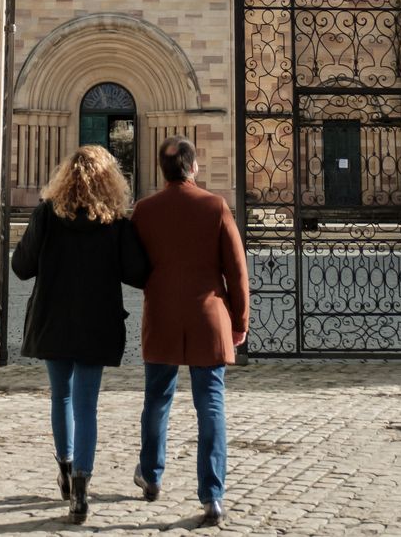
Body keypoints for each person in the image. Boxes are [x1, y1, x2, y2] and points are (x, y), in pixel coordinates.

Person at [11, 144, 150, 524]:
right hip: (97, 322)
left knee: (61, 396)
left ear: (64, 178)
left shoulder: (46, 215)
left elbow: (20, 267)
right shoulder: (115, 222)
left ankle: (65, 465)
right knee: (87, 405)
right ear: (111, 180)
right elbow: (138, 273)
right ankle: (82, 486)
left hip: (52, 320)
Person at [130, 136, 249, 528]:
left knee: (157, 399)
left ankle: (151, 476)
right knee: (210, 405)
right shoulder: (215, 206)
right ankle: (213, 497)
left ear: (161, 171)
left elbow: (131, 268)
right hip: (208, 318)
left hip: (162, 316)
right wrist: (240, 321)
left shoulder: (144, 210)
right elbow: (236, 270)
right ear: (193, 167)